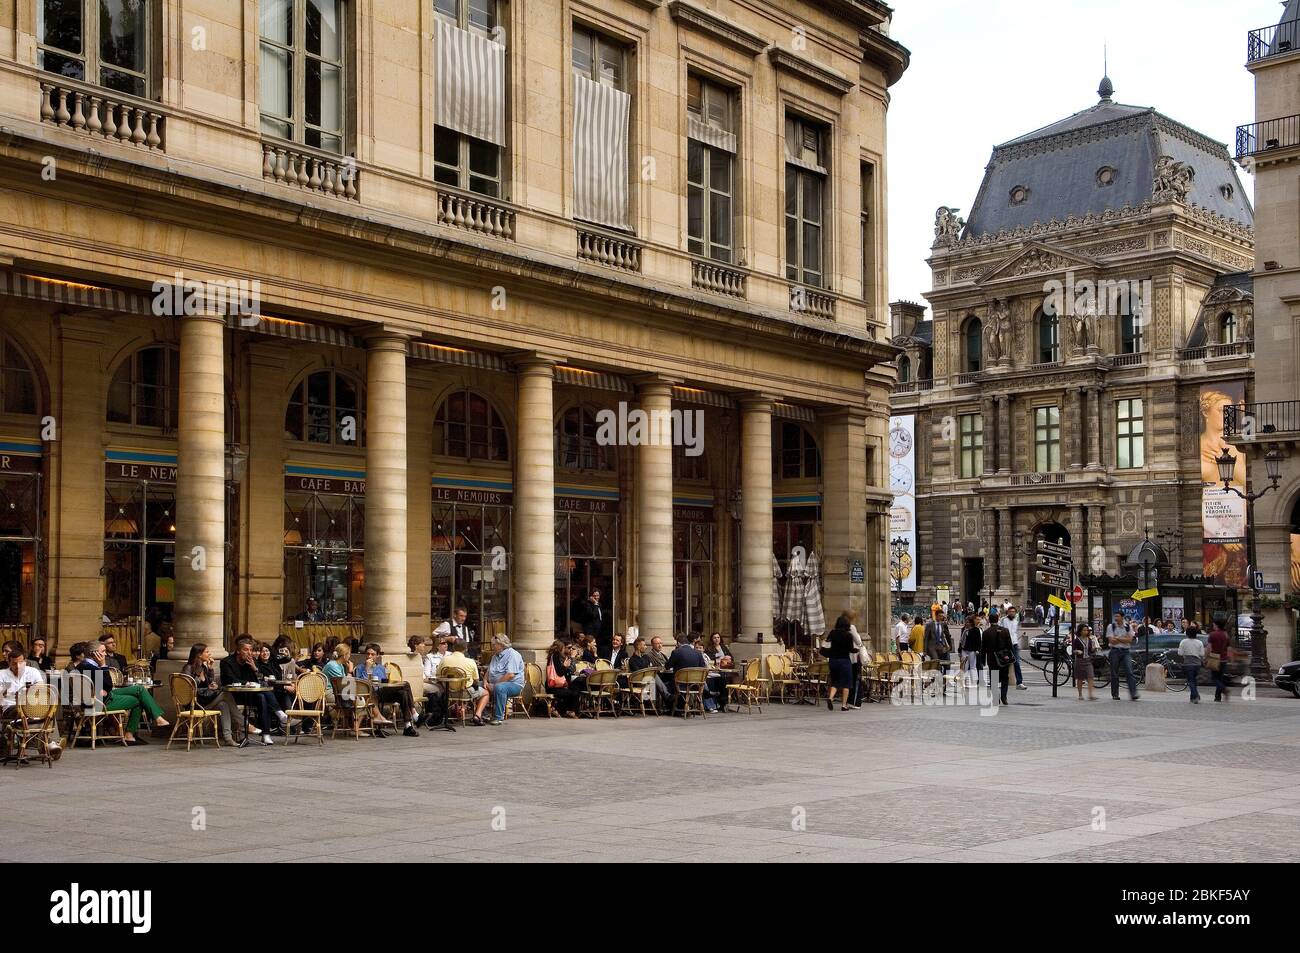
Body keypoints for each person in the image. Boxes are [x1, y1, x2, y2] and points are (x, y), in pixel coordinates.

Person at [78, 640, 170, 744]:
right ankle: (130, 734)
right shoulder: (90, 667)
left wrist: (105, 689)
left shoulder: (83, 665)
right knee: (139, 700)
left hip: (100, 698)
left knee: (139, 689)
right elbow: (108, 685)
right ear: (94, 653)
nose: (105, 654)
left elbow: (106, 688)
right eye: (103, 651)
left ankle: (157, 718)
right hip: (99, 703)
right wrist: (103, 665)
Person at [220, 635, 287, 744]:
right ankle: (279, 713)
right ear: (238, 651)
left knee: (262, 697)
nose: (249, 653)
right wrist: (245, 683)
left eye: (251, 650)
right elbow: (229, 679)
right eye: (246, 650)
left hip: (250, 694)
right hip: (234, 696)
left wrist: (254, 669)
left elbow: (259, 680)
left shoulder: (252, 662)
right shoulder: (227, 662)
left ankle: (266, 734)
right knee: (263, 694)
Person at [354, 643, 418, 736]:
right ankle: (414, 716)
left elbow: (384, 683)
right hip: (369, 694)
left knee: (403, 692)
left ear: (378, 655)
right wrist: (367, 669)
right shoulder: (360, 667)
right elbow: (361, 685)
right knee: (405, 688)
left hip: (382, 692)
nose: (369, 656)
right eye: (367, 654)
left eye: (372, 654)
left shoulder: (381, 668)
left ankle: (407, 725)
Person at [181, 643, 236, 744]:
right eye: (206, 652)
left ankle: (228, 738)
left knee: (223, 705)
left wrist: (210, 669)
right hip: (194, 704)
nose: (209, 654)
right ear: (199, 655)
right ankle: (243, 724)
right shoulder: (188, 668)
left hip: (204, 700)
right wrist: (204, 684)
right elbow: (187, 689)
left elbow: (209, 683)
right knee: (226, 694)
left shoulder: (203, 667)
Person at [437, 638, 489, 726]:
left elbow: (438, 675)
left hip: (448, 692)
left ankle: (453, 713)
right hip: (465, 692)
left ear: (453, 648)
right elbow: (476, 680)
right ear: (466, 649)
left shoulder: (444, 659)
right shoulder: (470, 661)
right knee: (486, 693)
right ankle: (477, 715)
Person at [484, 634, 524, 725]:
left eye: (494, 645)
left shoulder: (513, 655)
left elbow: (510, 675)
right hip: (494, 683)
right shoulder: (495, 656)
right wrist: (485, 681)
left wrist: (494, 685)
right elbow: (488, 671)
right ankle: (482, 715)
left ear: (501, 645)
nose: (492, 647)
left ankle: (498, 717)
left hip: (513, 684)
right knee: (477, 686)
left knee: (500, 687)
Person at [665, 635, 710, 711]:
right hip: (695, 684)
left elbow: (667, 666)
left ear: (678, 643)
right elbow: (703, 668)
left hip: (679, 684)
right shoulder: (698, 653)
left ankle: (672, 706)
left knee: (665, 685)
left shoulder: (676, 652)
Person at [822, 615, 855, 712]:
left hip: (833, 660)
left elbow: (827, 644)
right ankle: (844, 705)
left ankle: (831, 697)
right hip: (844, 661)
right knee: (846, 683)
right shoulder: (848, 635)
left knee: (835, 681)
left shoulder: (832, 633)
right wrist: (856, 650)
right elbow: (851, 649)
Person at [982, 611, 1013, 706]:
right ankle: (1004, 697)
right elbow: (1010, 646)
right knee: (1004, 678)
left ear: (989, 620)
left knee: (994, 679)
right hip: (1003, 658)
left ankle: (996, 698)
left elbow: (983, 648)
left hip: (992, 659)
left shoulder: (986, 632)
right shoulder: (1005, 631)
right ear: (998, 619)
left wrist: (982, 660)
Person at [1106, 613, 1139, 701]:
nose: (1116, 618)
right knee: (1114, 673)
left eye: (1118, 616)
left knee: (1129, 672)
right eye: (1115, 616)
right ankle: (1115, 694)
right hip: (1114, 651)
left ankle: (1133, 693)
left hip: (1125, 651)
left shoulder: (1128, 626)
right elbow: (1111, 641)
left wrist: (1118, 638)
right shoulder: (1111, 626)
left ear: (1122, 617)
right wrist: (1123, 639)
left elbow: (1130, 640)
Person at [545, 640, 581, 718]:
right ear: (560, 648)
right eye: (564, 647)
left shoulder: (552, 656)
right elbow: (560, 673)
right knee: (574, 692)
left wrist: (566, 666)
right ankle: (570, 711)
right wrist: (565, 666)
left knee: (574, 689)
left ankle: (559, 709)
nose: (565, 649)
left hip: (553, 686)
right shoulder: (555, 656)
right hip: (554, 687)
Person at [845, 611, 868, 707]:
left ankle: (848, 700)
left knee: (849, 680)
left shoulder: (840, 629)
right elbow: (858, 641)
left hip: (846, 658)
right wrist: (861, 645)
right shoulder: (851, 627)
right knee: (856, 680)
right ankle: (855, 701)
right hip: (854, 657)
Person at [1071, 623, 1098, 701]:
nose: (1086, 632)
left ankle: (1091, 695)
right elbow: (1073, 650)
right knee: (1080, 678)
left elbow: (1090, 650)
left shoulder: (1089, 639)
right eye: (1084, 630)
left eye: (1087, 630)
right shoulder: (1076, 640)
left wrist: (1094, 648)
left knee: (1090, 676)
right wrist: (1077, 651)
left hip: (1088, 660)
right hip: (1080, 661)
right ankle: (1080, 694)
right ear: (1080, 631)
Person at [1179, 627, 1205, 704]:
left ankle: (1196, 695)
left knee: (1190, 681)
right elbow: (1202, 654)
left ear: (1187, 633)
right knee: (1193, 680)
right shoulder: (1199, 642)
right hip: (1197, 664)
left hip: (1187, 663)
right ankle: (1192, 697)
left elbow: (1180, 653)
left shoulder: (1183, 642)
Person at [1004, 606, 1027, 690]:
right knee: (1003, 664)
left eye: (1013, 612)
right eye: (1010, 611)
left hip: (1014, 644)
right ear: (1008, 612)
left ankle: (1019, 682)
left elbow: (1016, 633)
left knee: (1017, 663)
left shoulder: (1016, 621)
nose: (1012, 613)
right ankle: (1002, 681)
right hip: (1005, 645)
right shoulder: (1004, 620)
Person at [923, 609, 951, 676]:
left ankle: (943, 676)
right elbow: (926, 638)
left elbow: (942, 636)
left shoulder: (942, 624)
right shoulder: (930, 624)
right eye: (940, 616)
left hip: (940, 646)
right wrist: (924, 650)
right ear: (936, 616)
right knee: (936, 661)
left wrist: (946, 646)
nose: (942, 618)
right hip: (932, 647)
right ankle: (935, 677)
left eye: (942, 616)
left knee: (946, 662)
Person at [1207, 621, 1231, 702]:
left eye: (1213, 624)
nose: (1213, 625)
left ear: (1216, 625)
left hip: (1215, 658)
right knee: (1220, 678)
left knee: (1214, 678)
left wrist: (1207, 657)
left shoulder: (1212, 634)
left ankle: (1224, 689)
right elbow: (1228, 647)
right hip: (1224, 658)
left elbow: (1209, 647)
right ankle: (1217, 697)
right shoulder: (1226, 634)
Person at [959, 615, 982, 687]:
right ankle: (965, 682)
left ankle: (974, 682)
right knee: (964, 666)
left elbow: (978, 641)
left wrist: (978, 649)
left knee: (973, 666)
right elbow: (961, 640)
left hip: (972, 650)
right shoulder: (964, 629)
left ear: (971, 623)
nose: (967, 623)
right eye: (966, 622)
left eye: (968, 622)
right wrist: (960, 650)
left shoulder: (976, 630)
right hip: (964, 649)